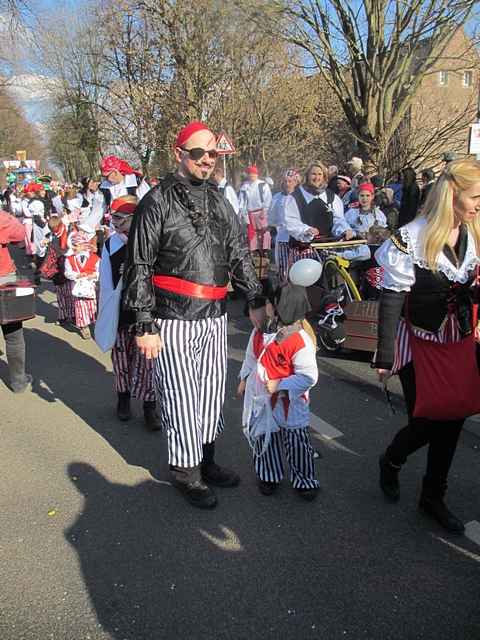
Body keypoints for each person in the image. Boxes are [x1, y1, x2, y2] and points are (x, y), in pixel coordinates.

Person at [122, 120, 264, 509]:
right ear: (179, 153)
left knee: (212, 395)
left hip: (215, 315)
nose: (206, 160)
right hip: (172, 317)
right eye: (198, 153)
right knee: (183, 397)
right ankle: (185, 470)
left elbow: (238, 251)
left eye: (212, 154)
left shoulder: (220, 200)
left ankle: (206, 459)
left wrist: (254, 298)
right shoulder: (156, 201)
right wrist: (144, 322)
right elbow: (139, 264)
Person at [374, 158, 480, 535]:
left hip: (459, 341)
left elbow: (469, 286)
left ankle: (433, 495)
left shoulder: (473, 233)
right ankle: (392, 460)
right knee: (426, 420)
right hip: (418, 342)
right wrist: (384, 356)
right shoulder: (412, 236)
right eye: (475, 198)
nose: (478, 205)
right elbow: (390, 298)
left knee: (453, 418)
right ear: (453, 197)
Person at [238, 283, 320, 500]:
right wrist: (244, 378)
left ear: (276, 308)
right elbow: (251, 357)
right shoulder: (260, 332)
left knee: (296, 442)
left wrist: (280, 385)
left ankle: (304, 480)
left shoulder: (299, 341)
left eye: (268, 303)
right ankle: (268, 475)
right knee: (264, 436)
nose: (266, 306)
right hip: (262, 397)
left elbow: (308, 377)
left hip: (289, 403)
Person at [95, 195, 160, 431]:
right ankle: (123, 399)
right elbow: (105, 281)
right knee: (121, 359)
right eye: (113, 217)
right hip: (121, 311)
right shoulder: (110, 244)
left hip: (146, 311)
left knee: (148, 363)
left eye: (121, 218)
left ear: (134, 218)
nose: (115, 222)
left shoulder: (148, 240)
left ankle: (149, 406)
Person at [282, 161, 353, 264]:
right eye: (313, 174)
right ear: (307, 175)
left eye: (320, 174)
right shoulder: (295, 197)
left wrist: (345, 230)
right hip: (304, 249)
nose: (317, 177)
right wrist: (306, 230)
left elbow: (338, 219)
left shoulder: (332, 197)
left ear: (324, 176)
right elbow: (290, 221)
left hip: (328, 247)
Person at [0, 209, 33, 392]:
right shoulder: (1, 218)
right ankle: (18, 382)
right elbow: (20, 233)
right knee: (13, 336)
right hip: (3, 279)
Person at [64, 228, 100, 340]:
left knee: (92, 306)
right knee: (80, 306)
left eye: (79, 245)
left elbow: (100, 271)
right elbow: (67, 272)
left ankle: (92, 322)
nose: (76, 248)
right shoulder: (69, 259)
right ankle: (84, 326)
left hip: (91, 286)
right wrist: (76, 276)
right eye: (75, 246)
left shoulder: (95, 258)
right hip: (77, 286)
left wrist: (93, 276)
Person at [267, 168, 301, 282]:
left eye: (290, 181)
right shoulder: (277, 197)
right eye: (285, 181)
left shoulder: (300, 198)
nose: (287, 184)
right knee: (283, 267)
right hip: (282, 237)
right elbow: (272, 217)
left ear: (296, 182)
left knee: (297, 267)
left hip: (298, 239)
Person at [238, 165, 272, 253]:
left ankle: (265, 250)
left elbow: (268, 199)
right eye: (250, 174)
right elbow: (241, 201)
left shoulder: (263, 185)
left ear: (257, 175)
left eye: (254, 174)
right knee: (252, 234)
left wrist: (265, 210)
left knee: (264, 232)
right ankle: (254, 251)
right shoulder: (245, 186)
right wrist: (243, 213)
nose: (252, 175)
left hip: (261, 211)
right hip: (250, 213)